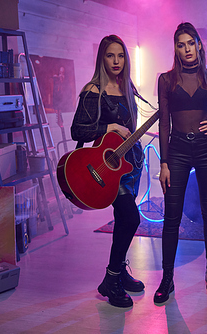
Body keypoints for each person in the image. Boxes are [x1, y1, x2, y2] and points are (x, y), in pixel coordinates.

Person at [155, 22, 207, 303]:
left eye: (191, 43)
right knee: (172, 215)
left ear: (199, 45)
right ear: (175, 49)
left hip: (205, 149)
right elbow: (164, 122)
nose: (187, 49)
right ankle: (167, 279)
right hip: (176, 149)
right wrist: (163, 163)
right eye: (181, 44)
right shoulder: (166, 80)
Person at [71, 35, 145, 308]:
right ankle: (110, 280)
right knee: (132, 218)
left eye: (121, 56)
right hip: (108, 167)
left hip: (130, 166)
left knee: (123, 222)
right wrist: (109, 129)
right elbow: (77, 130)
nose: (116, 61)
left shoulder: (127, 87)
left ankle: (119, 271)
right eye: (110, 55)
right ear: (102, 58)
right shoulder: (93, 90)